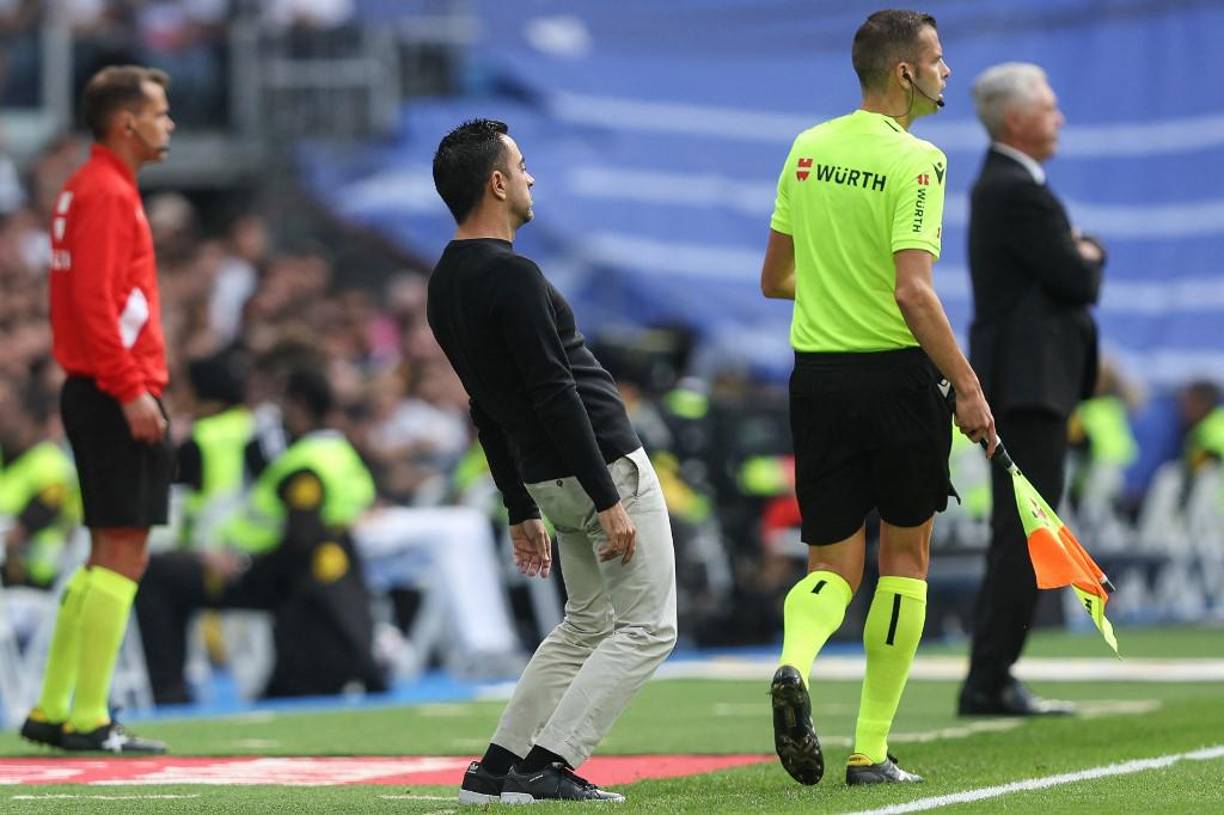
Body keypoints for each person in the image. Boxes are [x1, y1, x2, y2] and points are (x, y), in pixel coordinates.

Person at [759, 10, 995, 786]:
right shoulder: (919, 160)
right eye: (936, 57)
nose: (946, 70)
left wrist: (835, 282)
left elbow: (776, 279)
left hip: (817, 380)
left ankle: (794, 662)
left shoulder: (808, 147)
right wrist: (966, 385)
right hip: (896, 378)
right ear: (905, 73)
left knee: (831, 564)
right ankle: (868, 749)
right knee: (905, 557)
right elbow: (913, 292)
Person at [427, 119, 677, 805]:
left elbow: (484, 405)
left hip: (545, 474)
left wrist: (519, 503)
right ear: (497, 183)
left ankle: (497, 765)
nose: (532, 178)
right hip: (601, 465)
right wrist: (607, 495)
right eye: (523, 165)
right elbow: (555, 388)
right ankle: (548, 762)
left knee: (585, 622)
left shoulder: (444, 281)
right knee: (649, 627)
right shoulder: (512, 274)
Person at [21, 64, 175, 754]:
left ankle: (56, 707)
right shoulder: (108, 192)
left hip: (97, 387)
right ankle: (87, 716)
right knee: (124, 551)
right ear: (127, 122)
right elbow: (97, 304)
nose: (168, 124)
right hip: (114, 389)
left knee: (102, 552)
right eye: (161, 112)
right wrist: (132, 386)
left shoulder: (86, 187)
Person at [957, 63, 1105, 717]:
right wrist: (1089, 252)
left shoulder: (1007, 186)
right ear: (1016, 120)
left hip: (1024, 384)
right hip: (1027, 386)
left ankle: (991, 673)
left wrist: (1079, 253)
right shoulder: (1016, 190)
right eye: (1048, 107)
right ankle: (989, 678)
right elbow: (1076, 277)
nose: (1059, 116)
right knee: (1024, 534)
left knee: (1023, 532)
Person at [135, 367, 386, 702]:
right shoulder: (337, 451)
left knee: (156, 576)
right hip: (309, 572)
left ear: (297, 406)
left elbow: (299, 539)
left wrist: (244, 561)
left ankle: (169, 694)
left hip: (264, 570)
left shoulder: (303, 464)